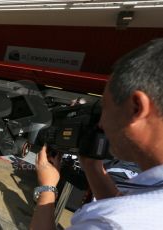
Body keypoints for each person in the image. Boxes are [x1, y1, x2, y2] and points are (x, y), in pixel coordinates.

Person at [30, 39, 163, 229]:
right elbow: (123, 201)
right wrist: (91, 165)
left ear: (136, 108)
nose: (101, 123)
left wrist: (47, 189)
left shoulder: (111, 223)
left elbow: (122, 212)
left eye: (106, 109)